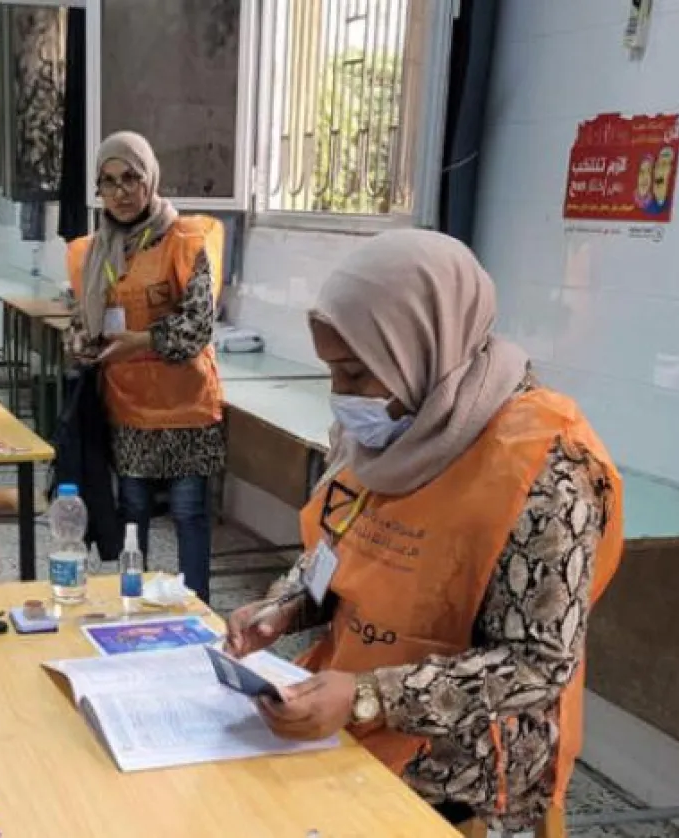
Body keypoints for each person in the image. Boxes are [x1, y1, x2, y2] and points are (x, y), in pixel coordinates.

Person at [225, 231, 625, 832]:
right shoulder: (392, 434)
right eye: (332, 373)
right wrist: (283, 607)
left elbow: (537, 665)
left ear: (420, 348)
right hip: (354, 692)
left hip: (464, 747)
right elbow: (344, 545)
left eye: (357, 374)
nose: (342, 397)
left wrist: (370, 695)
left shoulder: (545, 468)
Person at [65, 131, 225, 603]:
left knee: (188, 511)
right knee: (131, 508)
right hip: (128, 405)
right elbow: (82, 319)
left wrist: (135, 342)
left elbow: (197, 326)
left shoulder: (186, 240)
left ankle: (196, 614)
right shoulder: (93, 253)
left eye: (130, 178)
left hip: (187, 407)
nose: (119, 192)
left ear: (150, 178)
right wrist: (80, 343)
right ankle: (136, 606)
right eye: (108, 182)